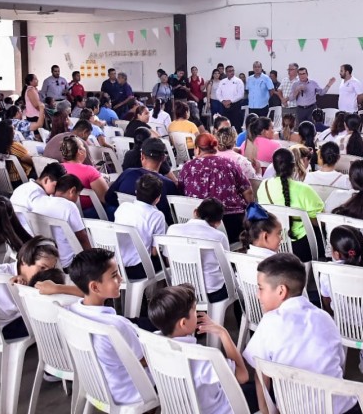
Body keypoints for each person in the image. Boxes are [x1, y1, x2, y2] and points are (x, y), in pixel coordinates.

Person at [243, 253, 363, 414]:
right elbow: (339, 364)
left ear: (281, 291)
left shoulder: (270, 321)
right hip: (341, 408)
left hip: (293, 409)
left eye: (261, 288)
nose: (258, 295)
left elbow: (261, 377)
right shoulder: (326, 318)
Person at [148, 284, 252, 414]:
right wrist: (223, 333)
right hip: (220, 409)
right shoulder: (201, 357)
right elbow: (243, 376)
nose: (197, 314)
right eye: (194, 310)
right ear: (183, 323)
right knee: (255, 390)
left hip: (178, 410)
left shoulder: (151, 344)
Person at [67, 249, 149, 406]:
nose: (120, 278)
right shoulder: (116, 325)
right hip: (129, 392)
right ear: (95, 287)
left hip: (98, 387)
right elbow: (142, 361)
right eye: (114, 275)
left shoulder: (70, 312)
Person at [320, 225, 363, 374]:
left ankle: (356, 355)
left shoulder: (326, 271)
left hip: (343, 319)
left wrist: (335, 313)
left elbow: (326, 299)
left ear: (336, 254)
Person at [179, 133, 253, 243]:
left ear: (197, 150)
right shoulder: (229, 164)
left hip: (198, 222)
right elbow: (248, 191)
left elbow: (181, 191)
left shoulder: (188, 167)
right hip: (232, 222)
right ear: (215, 148)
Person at [256, 148, 323, 262]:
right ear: (294, 166)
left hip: (272, 243)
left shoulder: (264, 185)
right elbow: (319, 220)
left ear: (274, 166)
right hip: (301, 247)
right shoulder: (304, 189)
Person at [166, 198, 232, 301]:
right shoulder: (218, 236)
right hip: (211, 292)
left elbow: (168, 259)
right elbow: (226, 266)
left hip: (179, 290)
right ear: (218, 223)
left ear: (195, 212)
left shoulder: (172, 230)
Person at [107, 138, 180, 225]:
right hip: (157, 230)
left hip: (126, 225)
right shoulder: (169, 185)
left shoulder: (127, 173)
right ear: (163, 158)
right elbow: (175, 216)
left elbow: (109, 198)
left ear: (142, 156)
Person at [112, 174, 167, 279]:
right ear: (158, 198)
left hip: (117, 266)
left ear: (136, 192)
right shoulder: (157, 215)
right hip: (140, 269)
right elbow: (155, 252)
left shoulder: (123, 207)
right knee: (166, 259)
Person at [60, 135, 111, 219]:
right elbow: (106, 198)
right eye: (83, 146)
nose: (85, 149)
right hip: (86, 214)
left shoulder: (58, 168)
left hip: (64, 213)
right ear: (80, 151)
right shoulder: (89, 171)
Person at [216, 65, 245, 130]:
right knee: (225, 125)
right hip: (224, 106)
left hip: (235, 106)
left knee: (236, 125)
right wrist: (223, 101)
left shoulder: (238, 81)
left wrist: (230, 101)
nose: (232, 72)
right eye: (229, 71)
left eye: (233, 70)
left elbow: (241, 94)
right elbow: (218, 93)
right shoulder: (222, 81)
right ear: (226, 72)